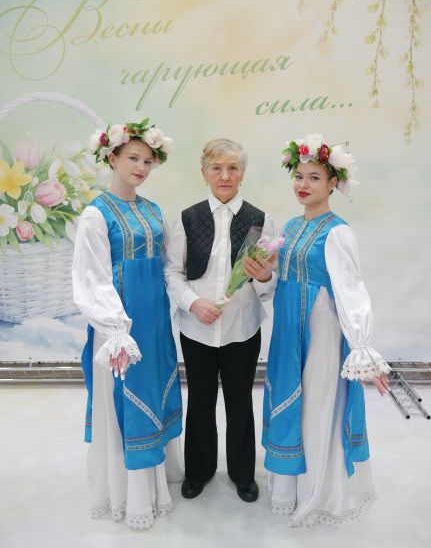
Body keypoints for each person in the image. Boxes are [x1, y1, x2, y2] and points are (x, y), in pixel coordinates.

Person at [259, 133, 390, 527]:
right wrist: (264, 273)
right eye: (299, 176)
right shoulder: (292, 226)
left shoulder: (337, 232)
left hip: (320, 331)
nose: (303, 184)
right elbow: (282, 280)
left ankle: (319, 492)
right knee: (290, 398)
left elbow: (352, 291)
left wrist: (363, 349)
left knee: (318, 402)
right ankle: (290, 486)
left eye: (314, 177)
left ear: (333, 183)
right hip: (288, 329)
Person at [72, 119, 183, 530]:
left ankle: (158, 478)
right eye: (133, 158)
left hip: (154, 326)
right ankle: (129, 493)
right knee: (127, 399)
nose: (140, 167)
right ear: (112, 157)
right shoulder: (96, 215)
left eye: (148, 161)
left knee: (154, 391)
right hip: (120, 329)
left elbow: (168, 267)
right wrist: (116, 330)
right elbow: (93, 278)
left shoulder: (152, 211)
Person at [165, 138, 276, 503]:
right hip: (196, 330)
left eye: (232, 168)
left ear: (242, 174)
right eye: (217, 168)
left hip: (242, 330)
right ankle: (199, 470)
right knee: (199, 400)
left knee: (240, 402)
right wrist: (193, 303)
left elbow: (269, 285)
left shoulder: (261, 220)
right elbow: (173, 273)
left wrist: (264, 277)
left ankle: (243, 474)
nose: (225, 175)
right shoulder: (187, 218)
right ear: (204, 173)